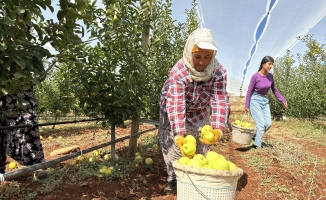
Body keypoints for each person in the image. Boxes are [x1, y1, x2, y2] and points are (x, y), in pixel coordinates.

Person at [158, 28, 230, 194]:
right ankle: (174, 178)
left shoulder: (218, 72)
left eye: (207, 57)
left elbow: (220, 99)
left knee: (202, 143)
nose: (201, 62)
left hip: (200, 109)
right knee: (173, 143)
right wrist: (179, 134)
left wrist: (218, 128)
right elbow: (176, 103)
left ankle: (197, 177)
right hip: (172, 107)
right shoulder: (179, 71)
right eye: (197, 56)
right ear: (190, 52)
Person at [0, 25, 47, 178]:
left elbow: (42, 73)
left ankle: (37, 165)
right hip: (3, 93)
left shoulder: (31, 49)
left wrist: (28, 82)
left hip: (24, 93)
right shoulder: (3, 47)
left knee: (29, 123)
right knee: (1, 129)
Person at [245, 56, 288, 148]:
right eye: (269, 64)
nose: (271, 66)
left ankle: (255, 136)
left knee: (268, 124)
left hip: (265, 100)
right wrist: (246, 105)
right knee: (261, 124)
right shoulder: (255, 76)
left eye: (272, 64)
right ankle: (257, 145)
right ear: (263, 64)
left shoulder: (270, 77)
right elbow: (249, 91)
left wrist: (282, 100)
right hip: (255, 100)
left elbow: (274, 90)